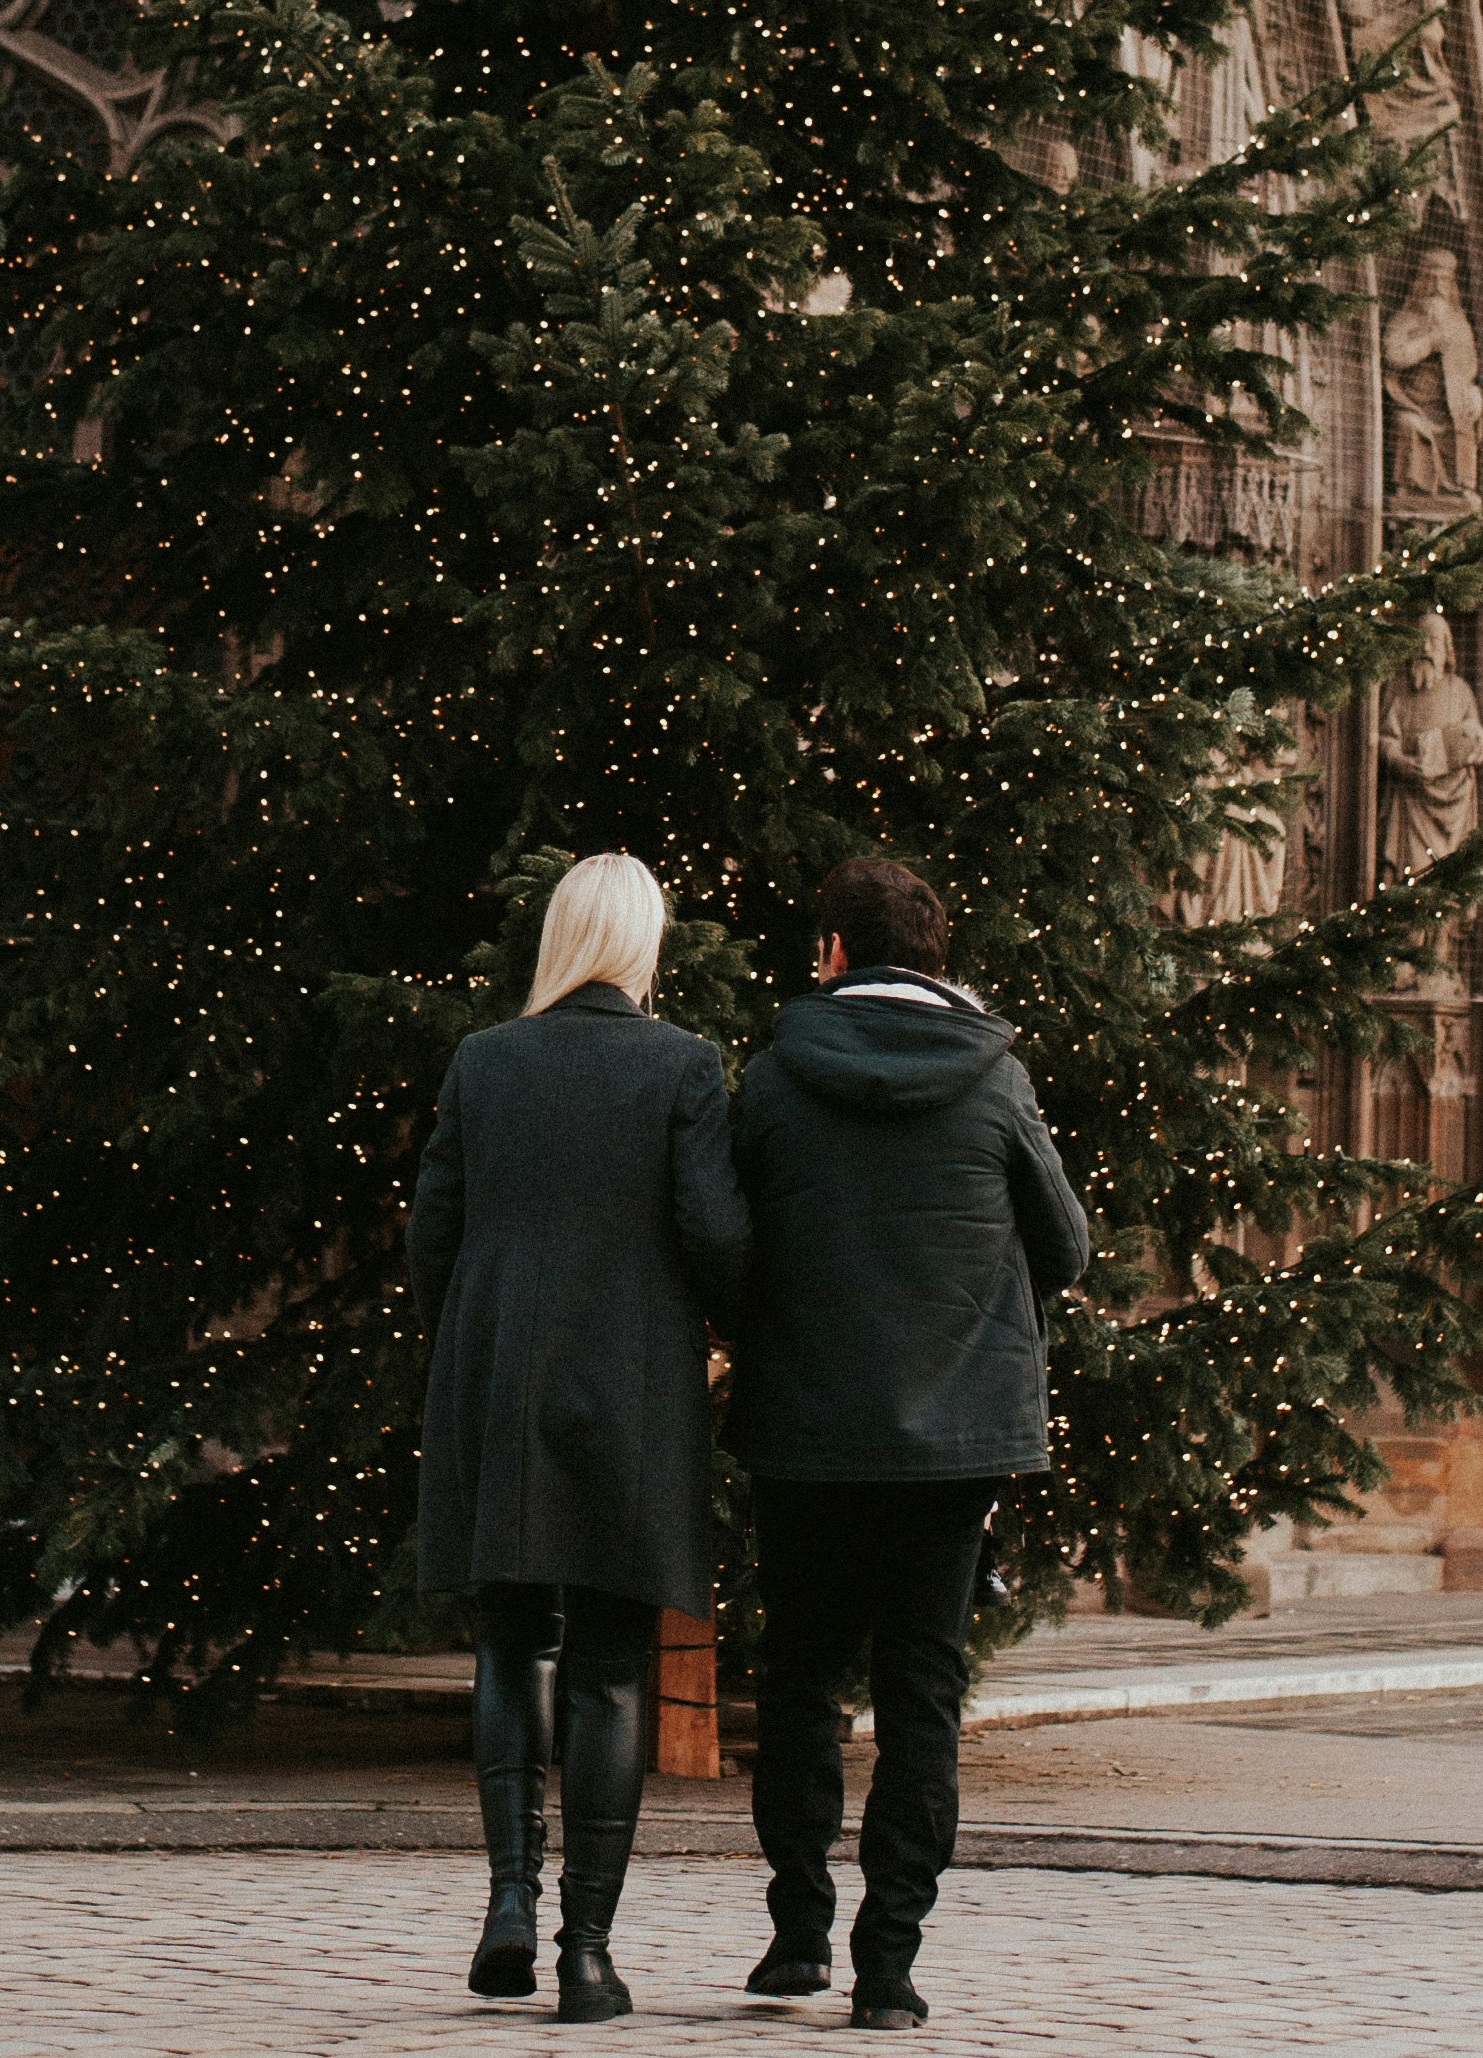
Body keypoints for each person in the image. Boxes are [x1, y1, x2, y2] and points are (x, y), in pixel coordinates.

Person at [729, 856, 1089, 2033]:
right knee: (921, 1693)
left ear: (832, 950)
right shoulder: (997, 1078)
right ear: (935, 955)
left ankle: (796, 1930)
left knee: (800, 1683)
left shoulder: (777, 1074)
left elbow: (729, 1241)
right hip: (953, 1446)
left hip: (806, 1431)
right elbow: (1068, 1244)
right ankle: (890, 1963)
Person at [408, 851, 750, 2023]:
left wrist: (482, 1327)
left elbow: (430, 1236)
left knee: (510, 1639)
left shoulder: (483, 1060)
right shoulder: (683, 1065)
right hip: (633, 1384)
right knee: (610, 1663)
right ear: (645, 943)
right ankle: (586, 1951)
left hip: (498, 1373)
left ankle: (508, 1899)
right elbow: (715, 1234)